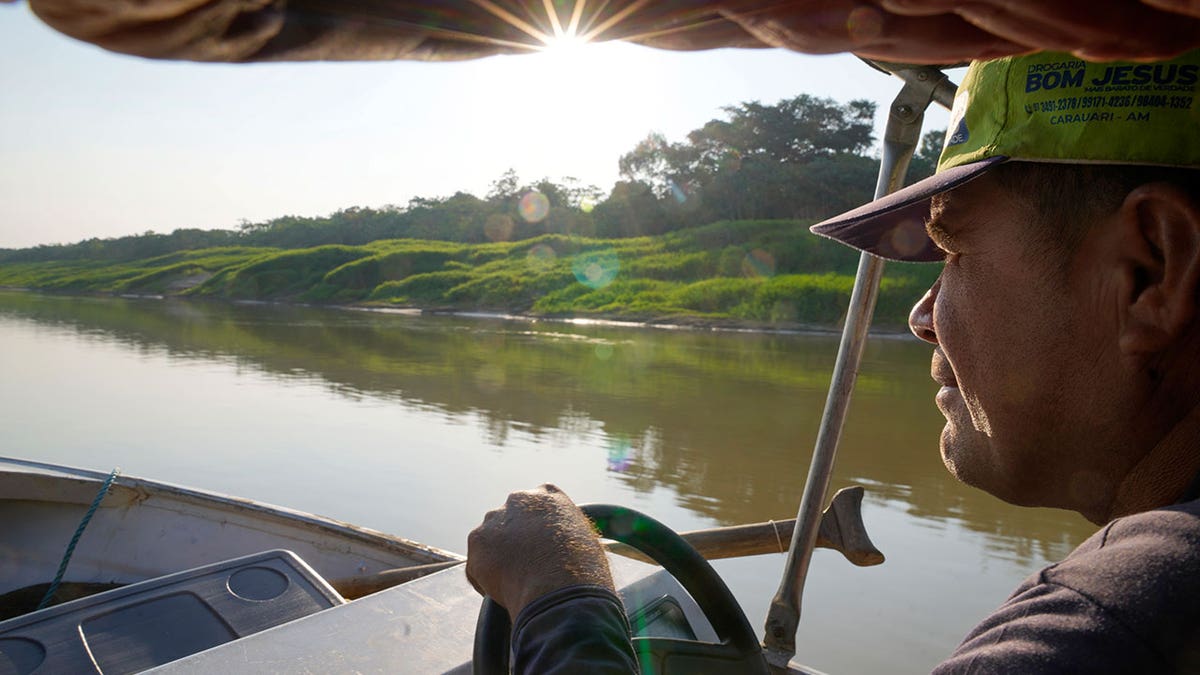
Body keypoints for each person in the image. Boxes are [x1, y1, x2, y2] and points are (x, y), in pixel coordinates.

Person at [466, 48, 1200, 673]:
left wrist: (557, 592)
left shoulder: (1106, 630)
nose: (920, 316)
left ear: (1148, 271)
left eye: (953, 252)